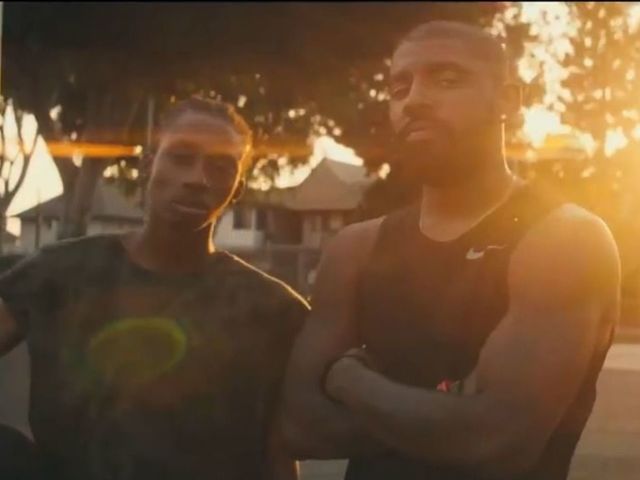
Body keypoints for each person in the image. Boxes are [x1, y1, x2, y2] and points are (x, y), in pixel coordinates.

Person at [281, 21, 620, 480]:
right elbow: (301, 427)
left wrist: (350, 380)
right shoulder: (356, 248)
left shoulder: (563, 241)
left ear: (508, 101)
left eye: (446, 80)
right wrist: (449, 417)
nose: (414, 100)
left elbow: (496, 443)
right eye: (399, 87)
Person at [0, 97, 308, 480]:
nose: (197, 179)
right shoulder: (59, 272)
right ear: (148, 164)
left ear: (237, 188)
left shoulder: (272, 309)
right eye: (181, 157)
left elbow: (279, 452)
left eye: (220, 167)